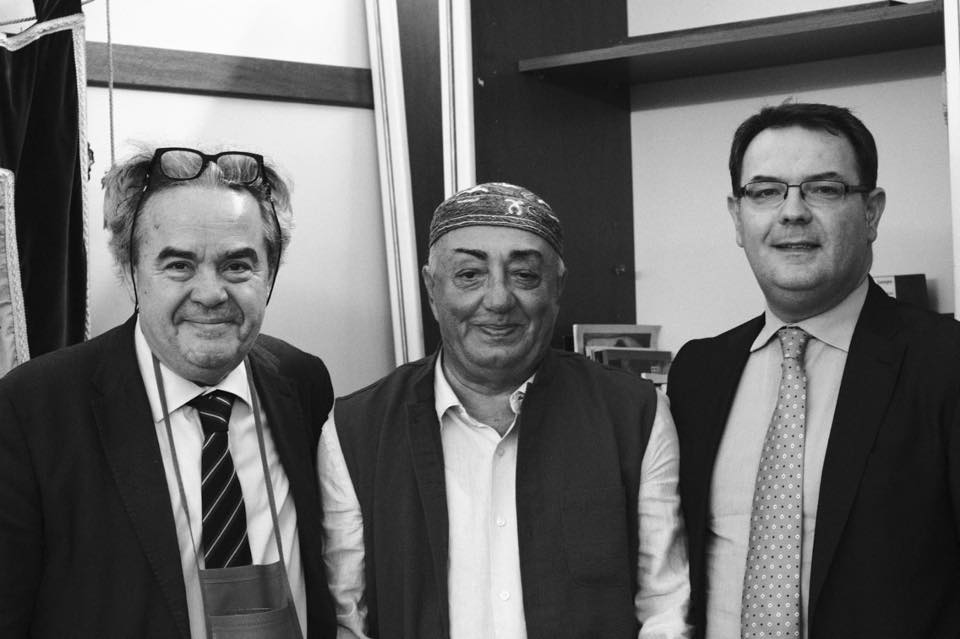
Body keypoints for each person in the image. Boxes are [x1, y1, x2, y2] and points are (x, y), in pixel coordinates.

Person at [319, 182, 690, 638]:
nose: (497, 299)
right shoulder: (356, 429)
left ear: (557, 287)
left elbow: (665, 607)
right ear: (432, 289)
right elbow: (347, 619)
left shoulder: (633, 415)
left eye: (525, 275)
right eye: (469, 274)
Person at [0, 146, 337, 638]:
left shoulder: (303, 383)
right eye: (179, 265)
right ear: (131, 272)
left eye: (237, 265)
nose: (211, 293)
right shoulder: (33, 409)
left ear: (270, 274)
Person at [667, 102, 960, 639]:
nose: (792, 212)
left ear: (871, 213)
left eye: (824, 189)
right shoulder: (698, 372)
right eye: (765, 192)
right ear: (738, 218)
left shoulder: (946, 361)